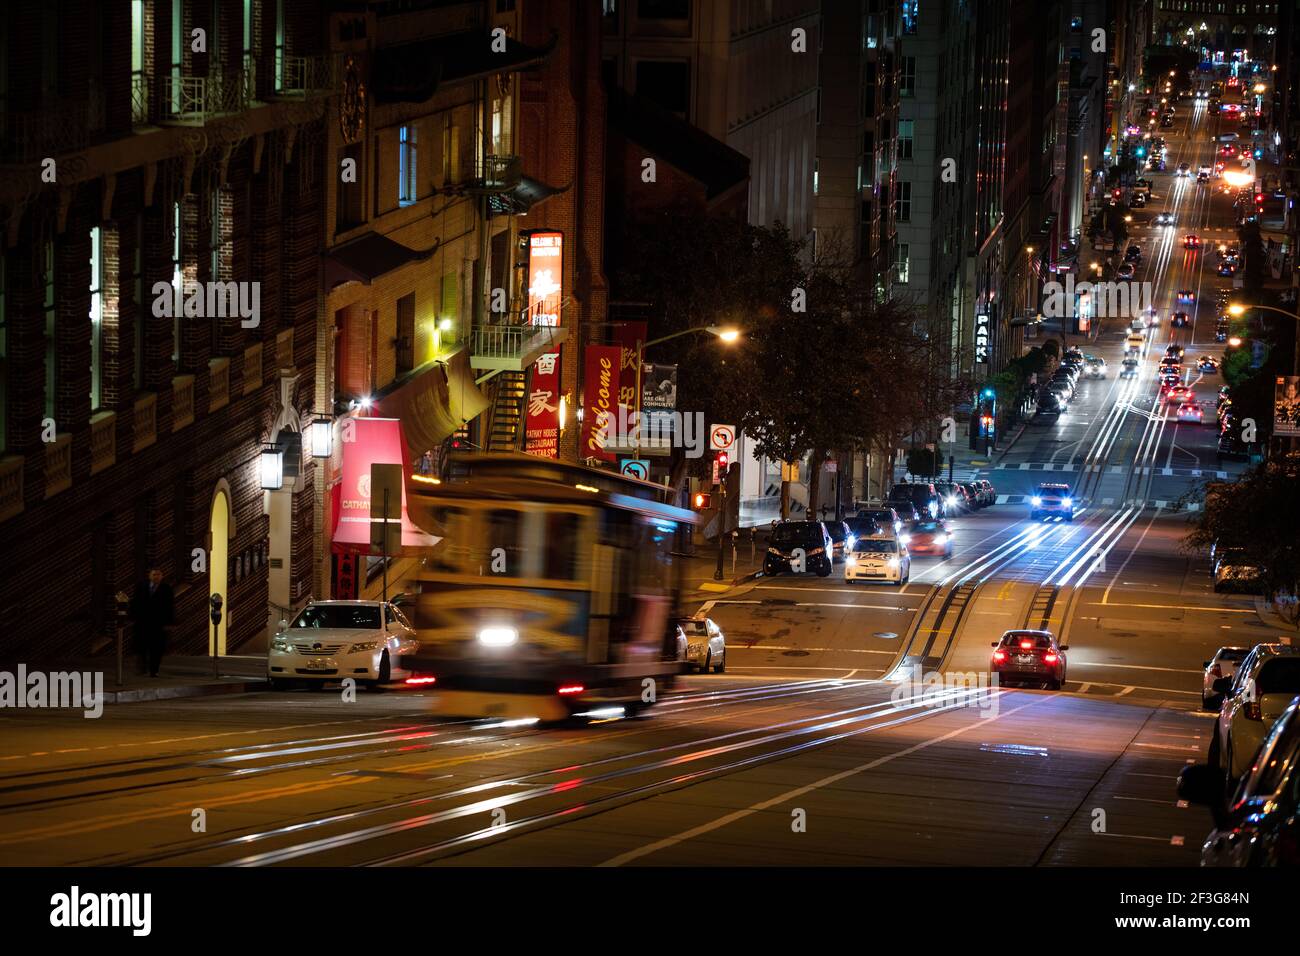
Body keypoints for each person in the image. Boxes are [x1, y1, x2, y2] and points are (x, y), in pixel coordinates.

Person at [130, 568, 175, 677]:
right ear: (150, 576)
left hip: (158, 624)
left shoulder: (166, 589)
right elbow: (135, 603)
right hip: (143, 623)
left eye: (159, 575)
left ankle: (154, 670)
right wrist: (132, 617)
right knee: (142, 647)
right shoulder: (142, 587)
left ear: (162, 576)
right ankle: (142, 669)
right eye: (154, 574)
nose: (156, 577)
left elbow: (170, 607)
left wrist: (169, 623)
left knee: (157, 648)